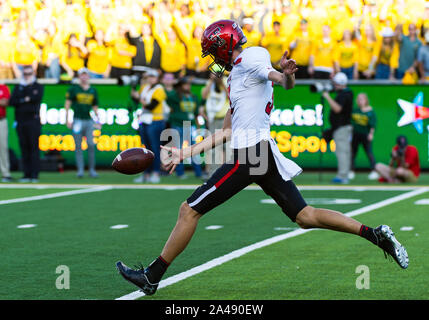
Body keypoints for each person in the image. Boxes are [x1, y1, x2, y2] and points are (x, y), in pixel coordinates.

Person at [116, 20, 409, 296]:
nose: (211, 59)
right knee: (305, 216)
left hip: (251, 154)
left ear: (223, 46)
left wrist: (286, 74)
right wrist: (185, 152)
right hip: (258, 153)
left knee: (189, 210)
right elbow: (226, 132)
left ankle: (152, 276)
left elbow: (280, 79)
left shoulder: (252, 56)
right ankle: (375, 234)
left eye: (212, 52)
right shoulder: (234, 78)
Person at [9, 66, 44, 183]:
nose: (27, 76)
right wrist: (25, 99)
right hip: (20, 121)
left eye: (29, 74)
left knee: (33, 147)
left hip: (33, 121)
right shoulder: (19, 86)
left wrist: (23, 99)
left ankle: (34, 174)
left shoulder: (37, 86)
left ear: (33, 73)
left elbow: (35, 98)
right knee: (24, 148)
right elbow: (12, 101)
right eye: (25, 74)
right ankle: (26, 174)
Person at [132, 69, 166, 184]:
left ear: (157, 78)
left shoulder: (159, 89)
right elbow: (135, 98)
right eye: (149, 77)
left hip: (155, 121)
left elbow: (151, 105)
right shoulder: (145, 87)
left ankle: (155, 172)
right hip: (145, 120)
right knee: (146, 149)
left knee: (154, 148)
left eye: (153, 77)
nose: (150, 79)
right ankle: (146, 173)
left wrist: (140, 99)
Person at [65, 68, 100, 178]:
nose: (84, 77)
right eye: (82, 75)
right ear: (79, 76)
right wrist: (67, 119)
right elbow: (67, 105)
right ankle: (80, 170)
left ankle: (92, 170)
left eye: (85, 75)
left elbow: (95, 108)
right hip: (77, 120)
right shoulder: (74, 89)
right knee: (78, 146)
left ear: (88, 76)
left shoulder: (93, 90)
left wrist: (98, 121)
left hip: (88, 120)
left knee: (91, 144)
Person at [166, 76, 204, 179]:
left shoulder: (194, 97)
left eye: (188, 84)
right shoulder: (175, 96)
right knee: (178, 149)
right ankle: (180, 172)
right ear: (180, 86)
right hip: (177, 124)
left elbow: (196, 114)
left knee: (194, 150)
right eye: (185, 84)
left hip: (190, 125)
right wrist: (174, 84)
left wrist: (198, 126)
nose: (187, 86)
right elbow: (167, 97)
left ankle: (198, 172)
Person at [322, 72, 353, 184]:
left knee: (342, 152)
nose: (334, 85)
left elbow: (337, 109)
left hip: (341, 127)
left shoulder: (344, 95)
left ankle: (342, 175)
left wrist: (327, 97)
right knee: (344, 151)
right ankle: (344, 174)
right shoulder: (347, 93)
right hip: (342, 127)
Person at [200, 73, 229, 176]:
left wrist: (221, 83)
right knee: (213, 147)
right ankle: (213, 173)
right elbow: (203, 96)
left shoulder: (227, 81)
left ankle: (226, 173)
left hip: (225, 119)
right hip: (213, 119)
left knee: (228, 147)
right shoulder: (210, 83)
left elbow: (230, 97)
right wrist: (212, 81)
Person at [349, 93, 378, 181]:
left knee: (369, 153)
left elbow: (373, 124)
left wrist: (371, 134)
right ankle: (351, 170)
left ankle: (374, 170)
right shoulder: (355, 110)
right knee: (353, 153)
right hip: (355, 134)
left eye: (362, 99)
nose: (360, 101)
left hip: (365, 134)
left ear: (366, 100)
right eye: (359, 99)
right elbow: (351, 122)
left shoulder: (370, 111)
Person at [0, 82, 11, 182]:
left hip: (1, 120)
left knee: (3, 147)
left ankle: (5, 173)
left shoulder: (3, 87)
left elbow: (5, 102)